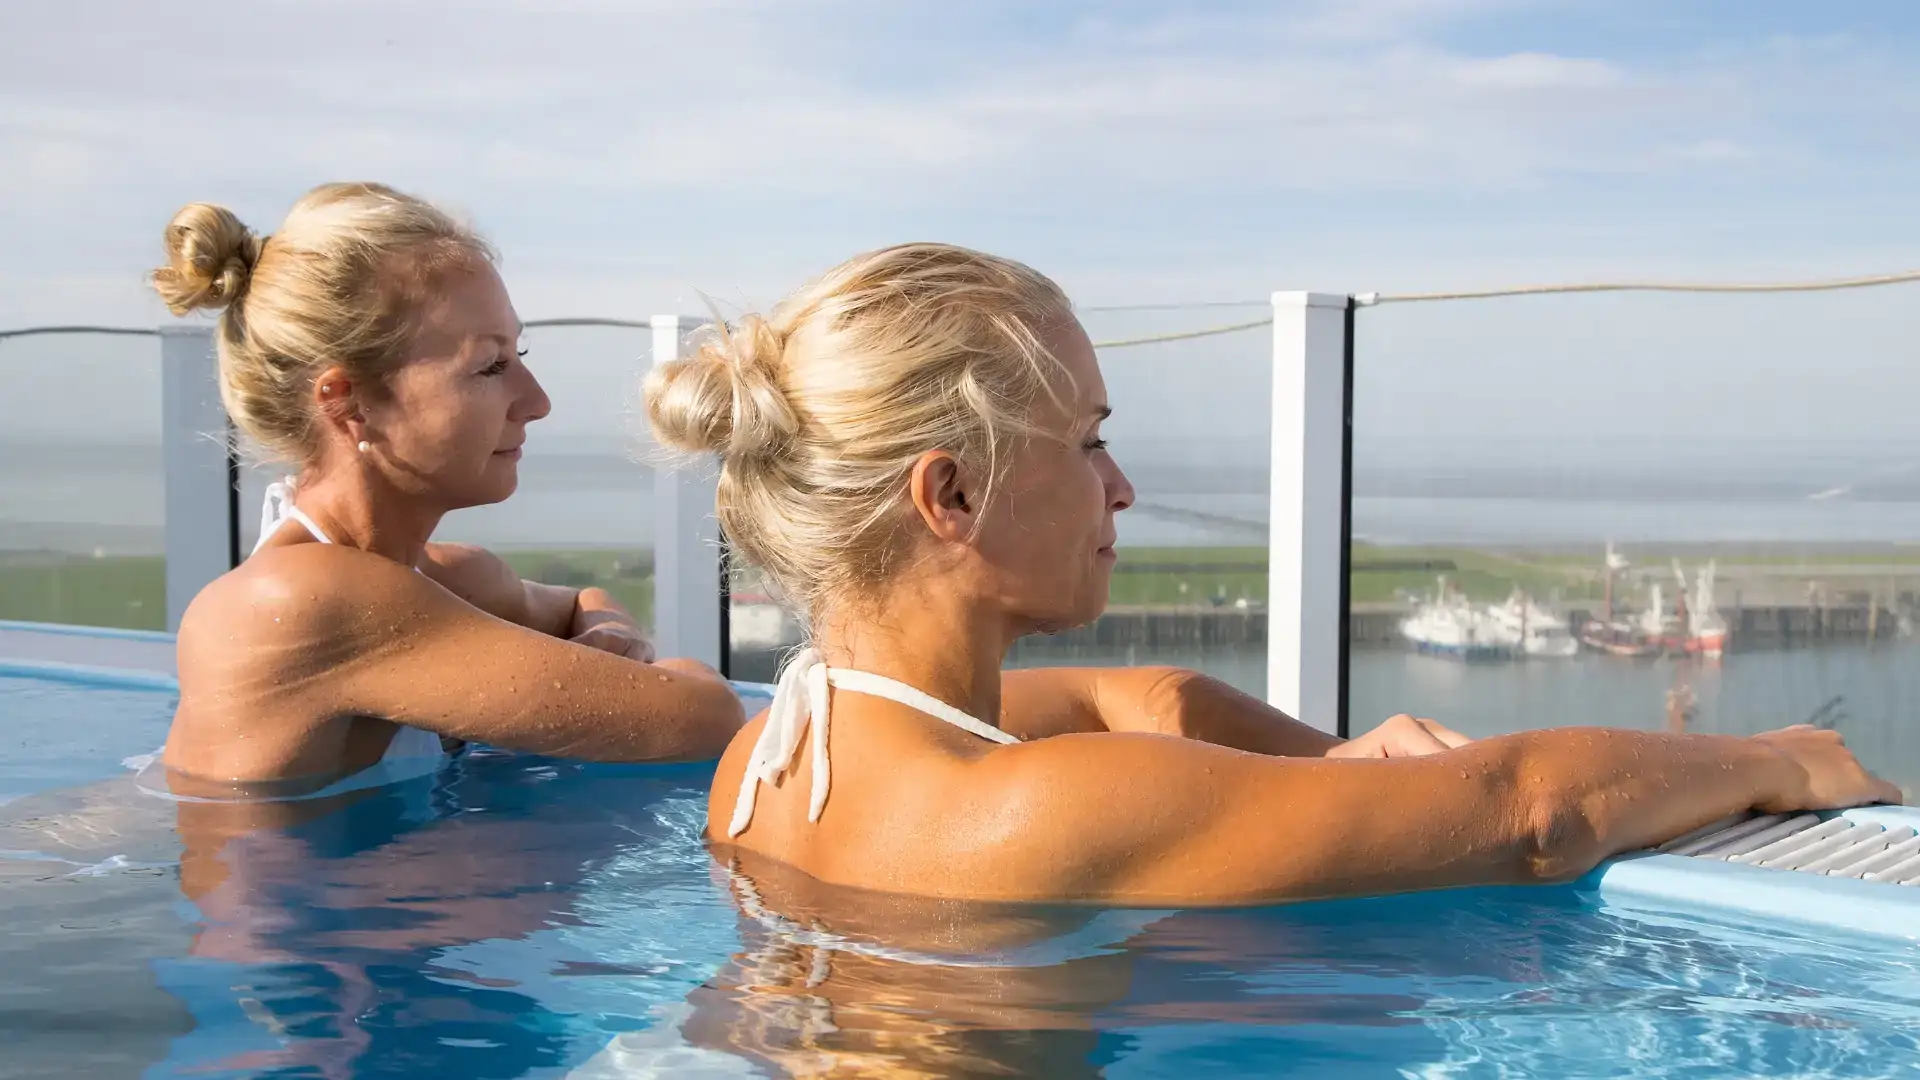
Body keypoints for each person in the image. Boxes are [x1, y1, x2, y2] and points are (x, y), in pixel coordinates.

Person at [645, 241, 1902, 906]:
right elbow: (1532, 816)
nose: (1121, 486)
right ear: (952, 494)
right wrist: (1778, 762)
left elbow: (1142, 697)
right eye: (1086, 441)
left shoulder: (767, 760)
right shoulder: (1032, 810)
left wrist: (1322, 766)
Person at [150, 182, 741, 797]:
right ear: (348, 402)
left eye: (520, 352)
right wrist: (630, 673)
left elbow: (578, 602)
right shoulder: (300, 600)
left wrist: (608, 636)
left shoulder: (443, 582)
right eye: (489, 366)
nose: (536, 402)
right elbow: (706, 718)